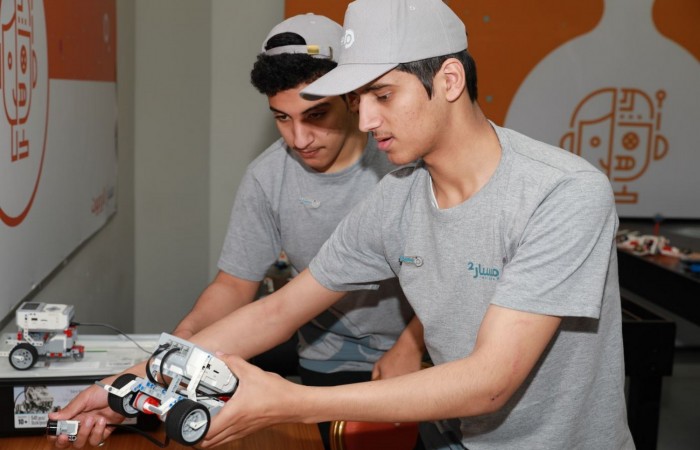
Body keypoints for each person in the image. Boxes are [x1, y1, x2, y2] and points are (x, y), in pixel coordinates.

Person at [53, 1, 635, 449]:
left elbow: (491, 381)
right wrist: (132, 383)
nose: (367, 119)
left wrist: (291, 401)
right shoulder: (397, 197)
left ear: (450, 80)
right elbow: (277, 312)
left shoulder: (563, 192)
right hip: (448, 436)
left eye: (382, 94)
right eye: (358, 99)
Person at [50, 12, 422, 450]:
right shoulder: (267, 176)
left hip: (420, 355)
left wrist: (412, 344)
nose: (299, 138)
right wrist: (178, 347)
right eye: (282, 118)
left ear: (353, 97)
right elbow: (236, 288)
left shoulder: (402, 166)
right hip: (328, 357)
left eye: (316, 114)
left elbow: (455, 283)